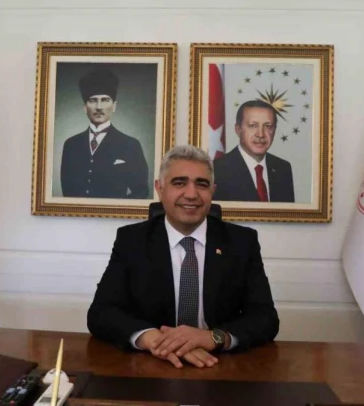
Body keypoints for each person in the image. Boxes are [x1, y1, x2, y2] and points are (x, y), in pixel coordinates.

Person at [87, 145, 279, 368]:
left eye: (202, 184)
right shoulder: (132, 240)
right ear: (159, 188)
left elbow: (265, 318)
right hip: (151, 364)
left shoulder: (242, 242)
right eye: (179, 183)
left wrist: (214, 337)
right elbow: (101, 312)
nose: (191, 194)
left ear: (213, 191)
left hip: (218, 364)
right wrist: (153, 339)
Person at [60, 68, 149, 199]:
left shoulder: (131, 145)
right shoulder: (71, 145)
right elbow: (67, 192)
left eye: (105, 100)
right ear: (85, 107)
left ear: (114, 106)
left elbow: (141, 191)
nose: (99, 107)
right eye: (93, 100)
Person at [213, 100, 295, 202]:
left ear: (274, 130)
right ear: (238, 129)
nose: (260, 134)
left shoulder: (283, 169)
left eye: (267, 126)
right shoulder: (217, 170)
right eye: (253, 125)